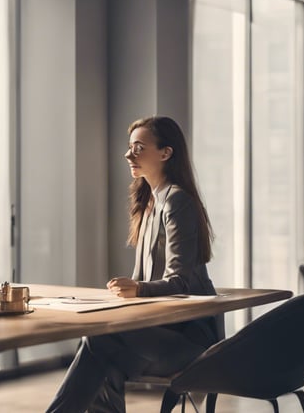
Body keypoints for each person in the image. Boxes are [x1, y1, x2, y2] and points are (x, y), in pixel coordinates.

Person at [46, 116, 220, 413]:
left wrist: (138, 288)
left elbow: (182, 283)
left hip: (189, 341)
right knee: (102, 356)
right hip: (157, 334)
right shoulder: (149, 203)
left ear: (166, 153)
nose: (128, 155)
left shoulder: (177, 201)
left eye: (138, 148)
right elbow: (145, 282)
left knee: (98, 340)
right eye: (129, 147)